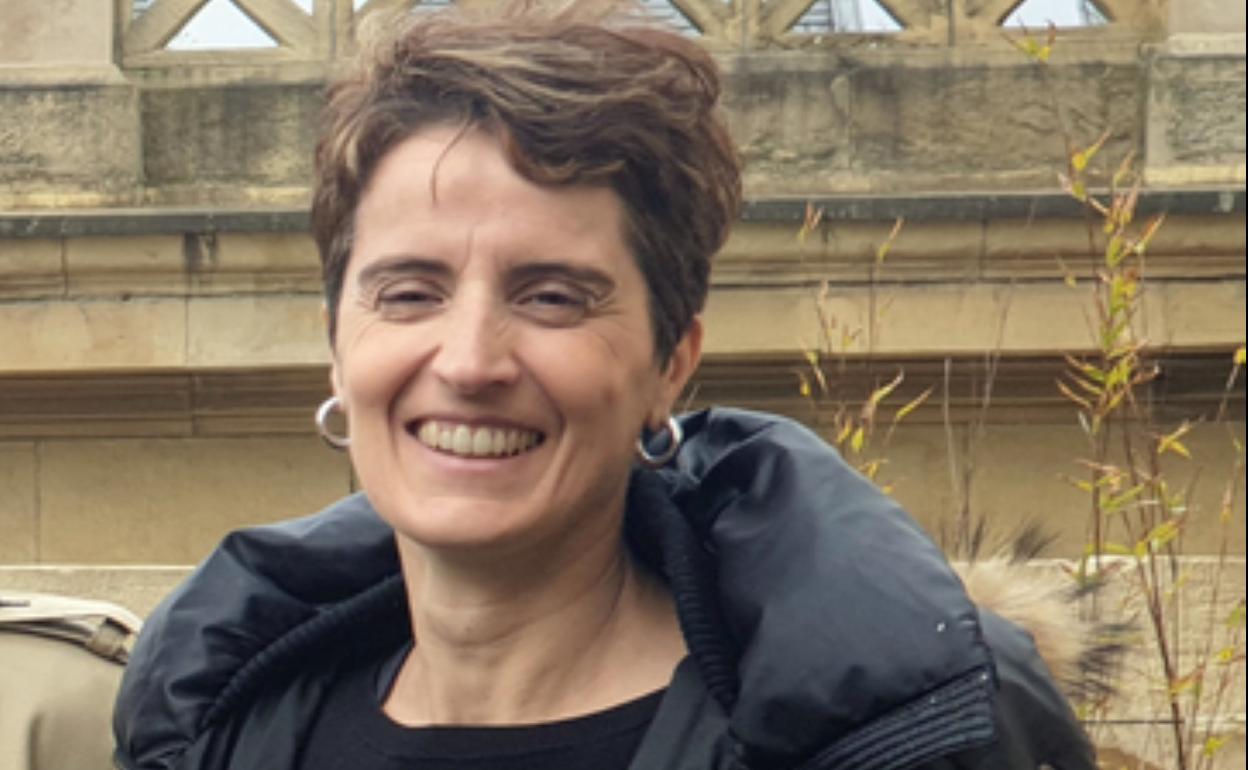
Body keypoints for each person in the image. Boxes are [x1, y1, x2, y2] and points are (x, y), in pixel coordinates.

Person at [113, 2, 1099, 768]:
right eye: (409, 293)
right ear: (338, 346)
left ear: (672, 363)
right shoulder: (218, 726)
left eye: (552, 297)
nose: (470, 361)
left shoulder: (902, 738)